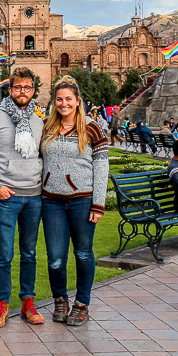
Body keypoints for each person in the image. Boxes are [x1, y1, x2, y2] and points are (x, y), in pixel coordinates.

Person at [0, 67, 46, 328]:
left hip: (34, 197)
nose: (22, 92)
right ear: (10, 90)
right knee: (4, 253)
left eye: (27, 87)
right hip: (7, 197)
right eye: (17, 88)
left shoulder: (39, 121)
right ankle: (1, 304)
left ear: (33, 90)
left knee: (30, 252)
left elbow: (44, 157)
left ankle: (27, 302)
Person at [39, 76, 109, 326]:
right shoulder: (47, 127)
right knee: (56, 257)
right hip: (52, 202)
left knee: (82, 253)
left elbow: (101, 165)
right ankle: (60, 299)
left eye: (69, 99)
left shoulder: (91, 128)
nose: (64, 103)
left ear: (78, 101)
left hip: (82, 200)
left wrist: (98, 203)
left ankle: (82, 303)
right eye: (59, 99)